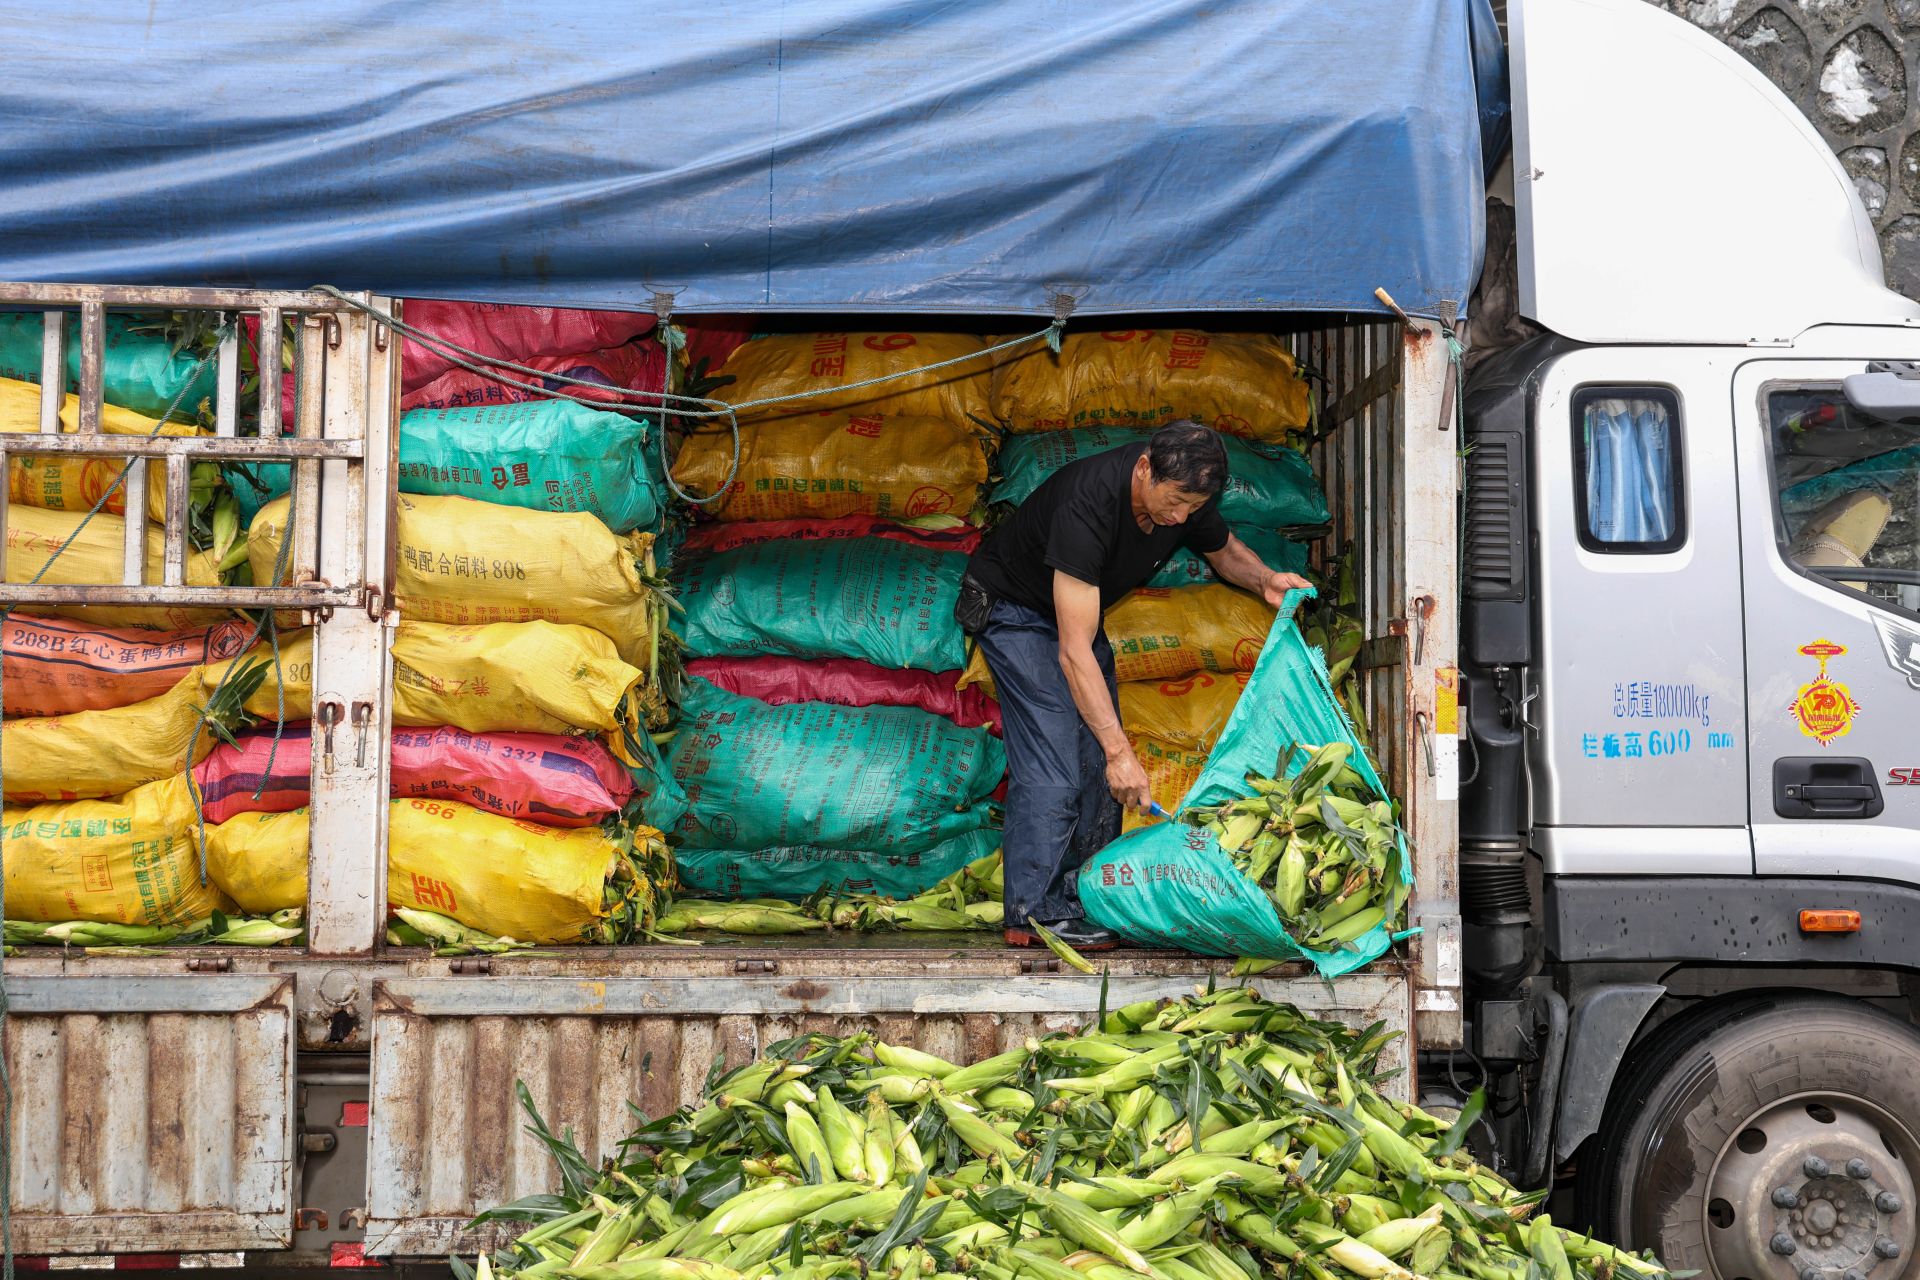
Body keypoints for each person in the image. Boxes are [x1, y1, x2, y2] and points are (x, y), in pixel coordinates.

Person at [957, 420, 1312, 951]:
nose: (1180, 517)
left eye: (1192, 507)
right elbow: (1074, 652)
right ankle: (1034, 913)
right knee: (1057, 757)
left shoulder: (1186, 492)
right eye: (1174, 503)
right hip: (1016, 610)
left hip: (1072, 616)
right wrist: (1120, 750)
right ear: (1145, 468)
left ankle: (1086, 895)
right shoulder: (1089, 504)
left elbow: (1222, 549)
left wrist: (1265, 580)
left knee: (1098, 764)